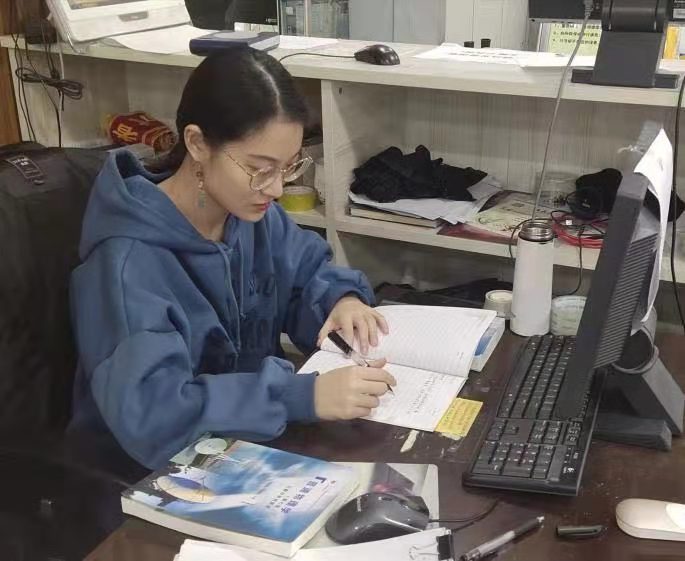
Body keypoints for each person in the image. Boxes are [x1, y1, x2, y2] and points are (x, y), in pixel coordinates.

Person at [70, 48, 396, 469]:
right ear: (197, 143)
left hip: (245, 440)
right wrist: (299, 397)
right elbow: (154, 414)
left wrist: (341, 301)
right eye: (260, 168)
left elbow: (304, 273)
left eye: (288, 167)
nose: (276, 189)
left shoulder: (250, 214)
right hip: (150, 472)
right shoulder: (126, 264)